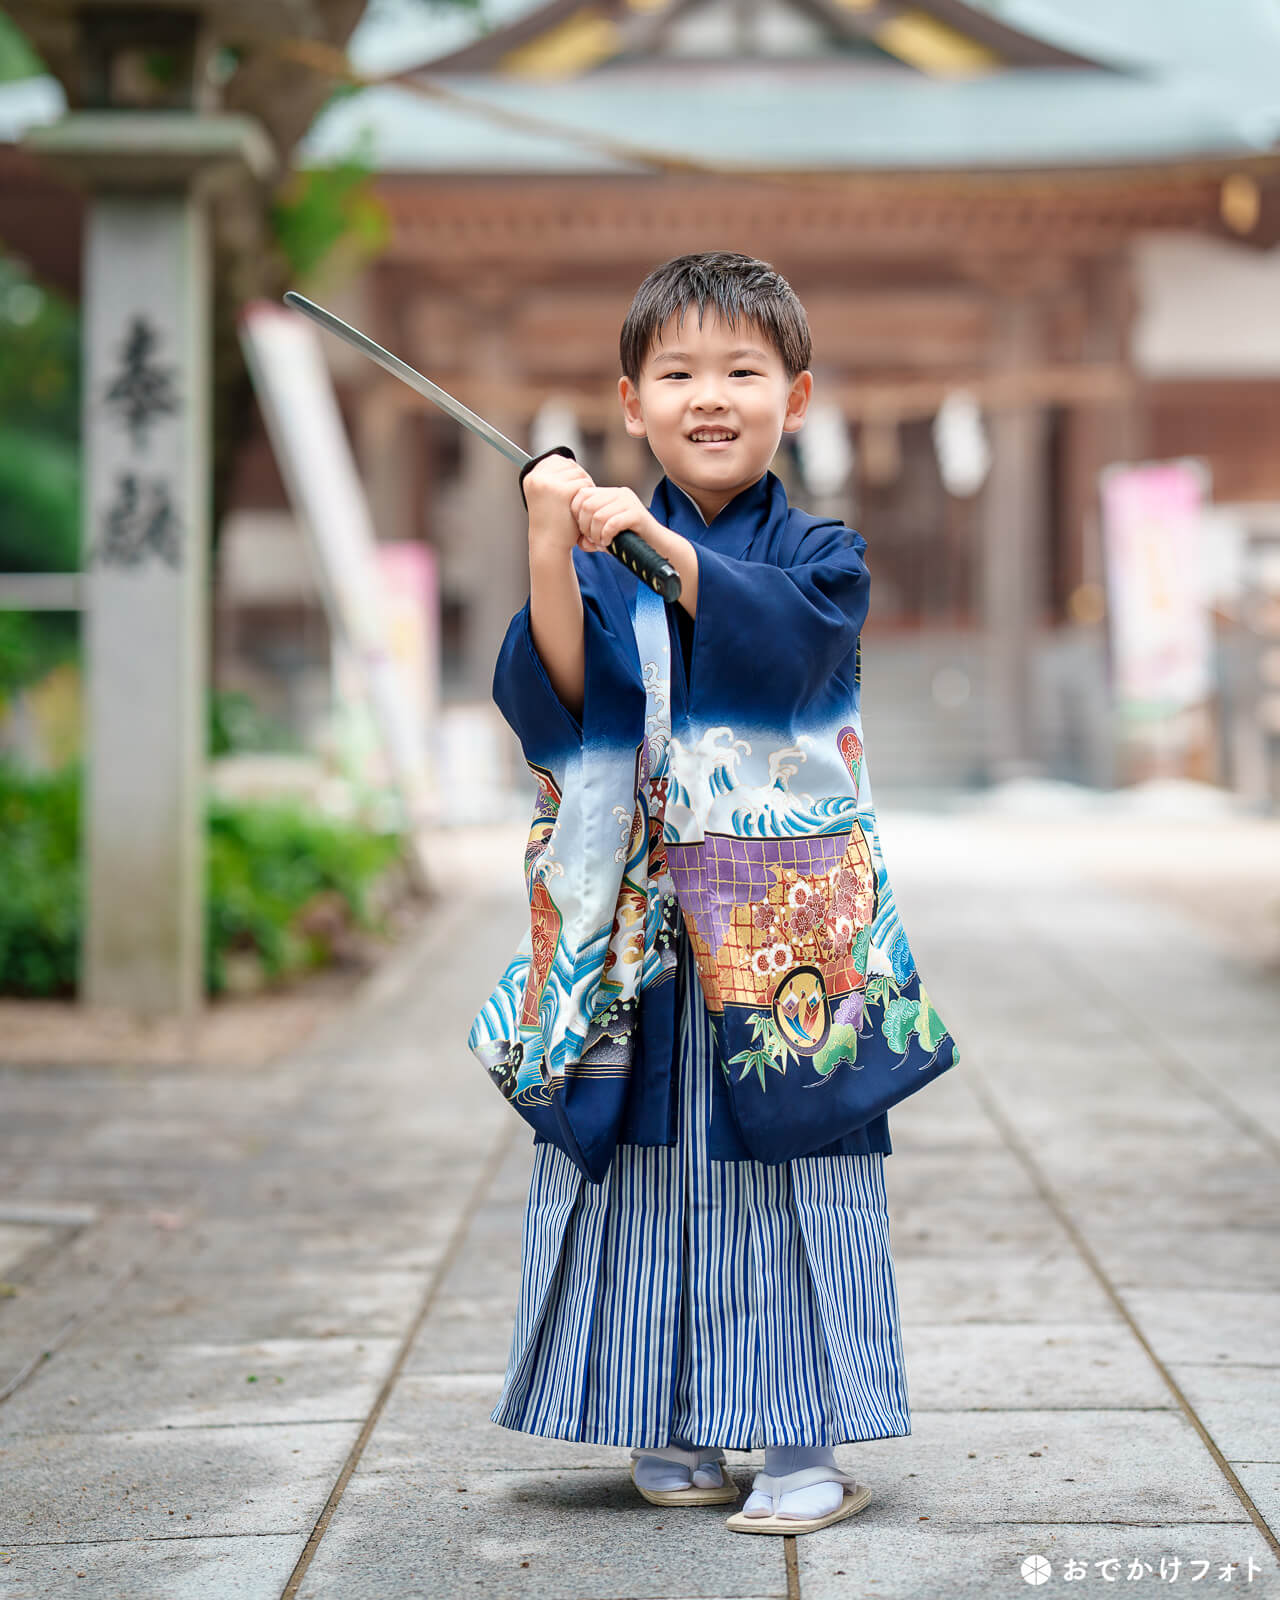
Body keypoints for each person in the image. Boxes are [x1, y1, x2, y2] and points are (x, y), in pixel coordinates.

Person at [468, 251, 959, 1536]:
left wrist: (651, 540)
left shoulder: (820, 553)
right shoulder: (598, 545)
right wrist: (547, 531)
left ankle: (804, 1440)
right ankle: (674, 1412)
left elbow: (791, 646)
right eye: (675, 372)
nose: (709, 397)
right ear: (628, 402)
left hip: (783, 929)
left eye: (741, 371)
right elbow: (557, 695)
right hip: (640, 918)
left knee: (788, 1157)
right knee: (647, 1160)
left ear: (793, 397)